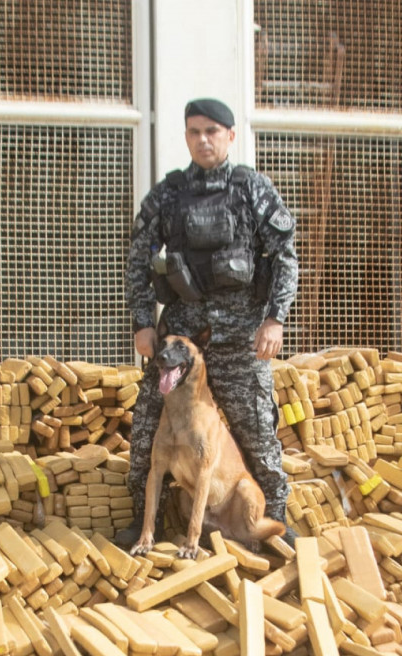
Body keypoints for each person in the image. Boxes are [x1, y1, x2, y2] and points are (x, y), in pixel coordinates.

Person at [117, 98, 298, 550]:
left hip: (241, 338)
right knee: (149, 427)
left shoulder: (253, 189)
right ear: (185, 136)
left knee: (257, 431)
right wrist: (143, 322)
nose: (203, 140)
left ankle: (275, 522)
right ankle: (143, 522)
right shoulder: (169, 194)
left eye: (212, 131)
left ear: (230, 136)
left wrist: (275, 319)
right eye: (194, 131)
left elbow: (284, 258)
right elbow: (137, 259)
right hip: (181, 338)